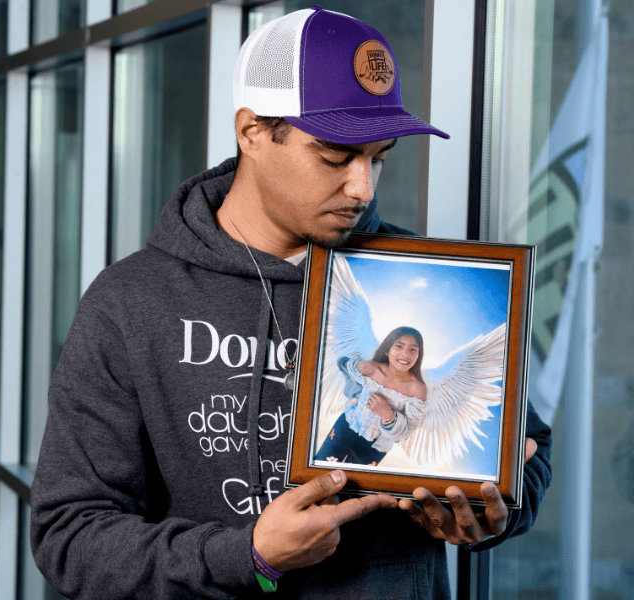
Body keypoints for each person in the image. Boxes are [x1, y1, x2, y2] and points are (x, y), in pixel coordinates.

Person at [30, 6, 552, 599]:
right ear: (253, 131)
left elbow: (526, 452)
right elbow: (68, 538)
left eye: (378, 158)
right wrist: (246, 554)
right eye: (335, 156)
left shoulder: (414, 275)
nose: (362, 187)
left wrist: (494, 512)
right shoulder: (131, 301)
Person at [315, 327, 427, 466]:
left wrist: (388, 415)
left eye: (413, 350)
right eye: (399, 346)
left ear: (419, 356)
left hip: (374, 447)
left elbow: (406, 431)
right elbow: (345, 365)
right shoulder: (372, 369)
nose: (405, 354)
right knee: (322, 464)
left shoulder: (417, 389)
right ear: (387, 350)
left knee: (354, 482)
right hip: (346, 427)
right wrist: (356, 385)